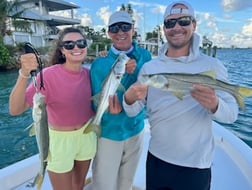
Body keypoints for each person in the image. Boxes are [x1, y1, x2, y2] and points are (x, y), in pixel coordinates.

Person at [123, 1, 239, 190]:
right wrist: (128, 99)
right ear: (164, 29)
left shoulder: (212, 66)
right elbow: (133, 110)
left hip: (195, 165)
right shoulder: (150, 68)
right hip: (156, 159)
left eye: (183, 21)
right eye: (170, 23)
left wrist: (215, 104)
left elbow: (232, 114)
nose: (176, 27)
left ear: (194, 24)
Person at [9, 27, 97, 190]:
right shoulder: (47, 75)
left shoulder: (90, 74)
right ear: (62, 50)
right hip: (59, 141)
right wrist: (24, 73)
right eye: (69, 44)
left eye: (81, 43)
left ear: (86, 46)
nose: (76, 48)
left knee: (78, 186)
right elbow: (15, 109)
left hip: (87, 135)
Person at [87, 11, 151, 190]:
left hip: (136, 129)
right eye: (114, 28)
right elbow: (95, 101)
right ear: (108, 33)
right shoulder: (99, 64)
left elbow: (148, 86)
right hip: (109, 133)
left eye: (125, 26)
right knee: (104, 185)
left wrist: (135, 68)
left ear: (133, 29)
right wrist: (106, 110)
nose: (120, 32)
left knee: (126, 184)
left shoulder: (145, 55)